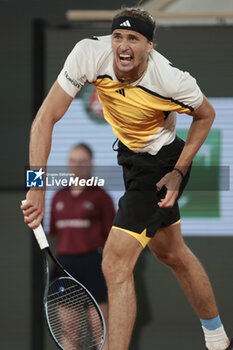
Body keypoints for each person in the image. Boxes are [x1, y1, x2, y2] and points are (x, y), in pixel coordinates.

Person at [21, 7, 232, 350]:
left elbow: (205, 115)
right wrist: (36, 186)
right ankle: (218, 339)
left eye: (133, 38)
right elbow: (45, 119)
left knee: (115, 262)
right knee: (172, 253)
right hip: (130, 159)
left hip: (161, 165)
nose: (123, 45)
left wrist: (179, 169)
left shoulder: (172, 81)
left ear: (150, 46)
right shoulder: (88, 55)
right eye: (118, 36)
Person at [49, 143, 115, 349]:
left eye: (82, 161)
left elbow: (111, 236)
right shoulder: (59, 196)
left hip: (94, 265)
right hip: (65, 266)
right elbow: (54, 230)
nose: (77, 166)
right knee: (69, 331)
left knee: (101, 330)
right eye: (73, 161)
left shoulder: (101, 197)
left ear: (91, 165)